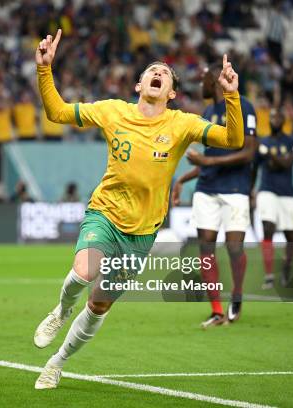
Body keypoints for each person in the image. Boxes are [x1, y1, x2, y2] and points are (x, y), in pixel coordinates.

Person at [33, 29, 244, 389]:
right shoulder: (112, 111)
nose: (158, 72)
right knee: (84, 271)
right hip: (105, 212)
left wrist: (231, 97)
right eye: (152, 69)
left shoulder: (182, 123)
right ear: (139, 84)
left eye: (165, 73)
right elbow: (56, 113)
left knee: (99, 306)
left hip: (143, 232)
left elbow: (233, 140)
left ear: (172, 93)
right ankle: (62, 309)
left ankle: (57, 361)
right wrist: (44, 69)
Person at [172, 63, 257, 327]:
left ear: (215, 81)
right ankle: (217, 309)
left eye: (203, 80)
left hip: (235, 188)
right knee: (206, 248)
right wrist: (183, 180)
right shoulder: (208, 111)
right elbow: (209, 157)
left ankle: (237, 297)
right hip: (207, 189)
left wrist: (207, 164)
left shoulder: (244, 106)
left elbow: (248, 152)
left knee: (234, 247)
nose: (200, 86)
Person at [254, 109, 293, 289]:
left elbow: (286, 164)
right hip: (267, 190)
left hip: (287, 193)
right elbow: (256, 168)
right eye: (273, 117)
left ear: (284, 120)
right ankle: (269, 276)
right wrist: (251, 188)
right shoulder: (262, 142)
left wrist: (271, 155)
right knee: (268, 228)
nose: (275, 119)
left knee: (292, 236)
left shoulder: (292, 141)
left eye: (279, 116)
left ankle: (287, 266)